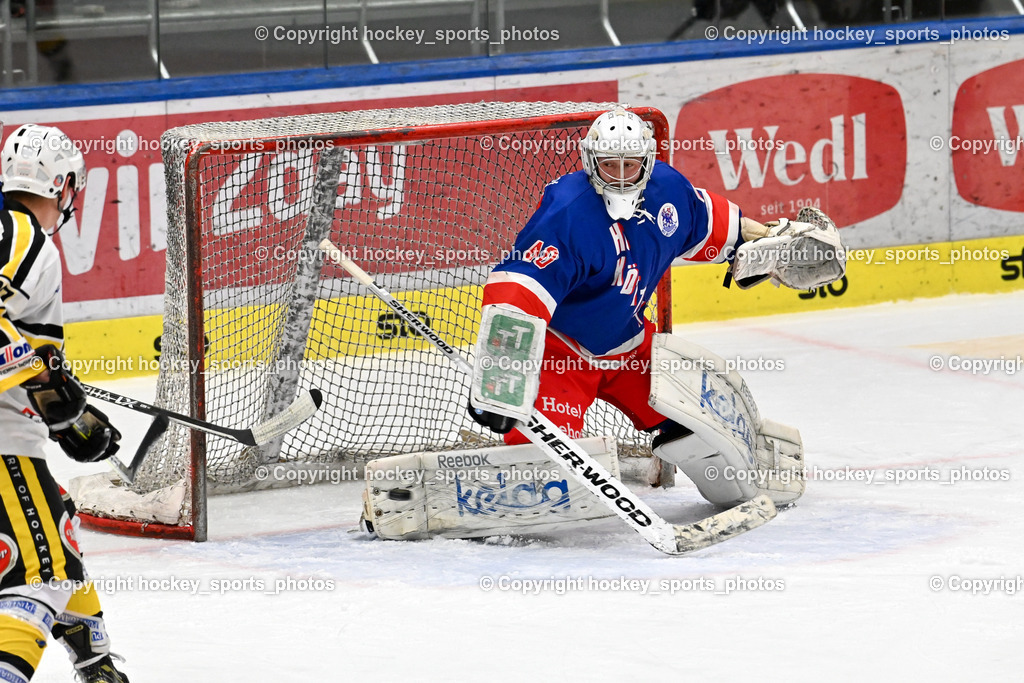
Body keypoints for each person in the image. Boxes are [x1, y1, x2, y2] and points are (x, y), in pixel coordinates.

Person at [468, 108, 845, 509]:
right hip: (560, 357)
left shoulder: (669, 191)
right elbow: (517, 291)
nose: (620, 175)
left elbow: (726, 231)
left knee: (704, 442)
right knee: (547, 472)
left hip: (631, 349)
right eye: (609, 165)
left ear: (648, 161)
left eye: (630, 165)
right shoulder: (567, 213)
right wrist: (500, 380)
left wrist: (774, 241)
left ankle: (737, 478)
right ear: (589, 162)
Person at [0, 123, 128, 682]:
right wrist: (42, 377)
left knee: (58, 535)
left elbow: (28, 354)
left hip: (15, 439)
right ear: (62, 183)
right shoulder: (27, 238)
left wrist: (66, 411)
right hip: (3, 448)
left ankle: (97, 666)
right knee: (42, 575)